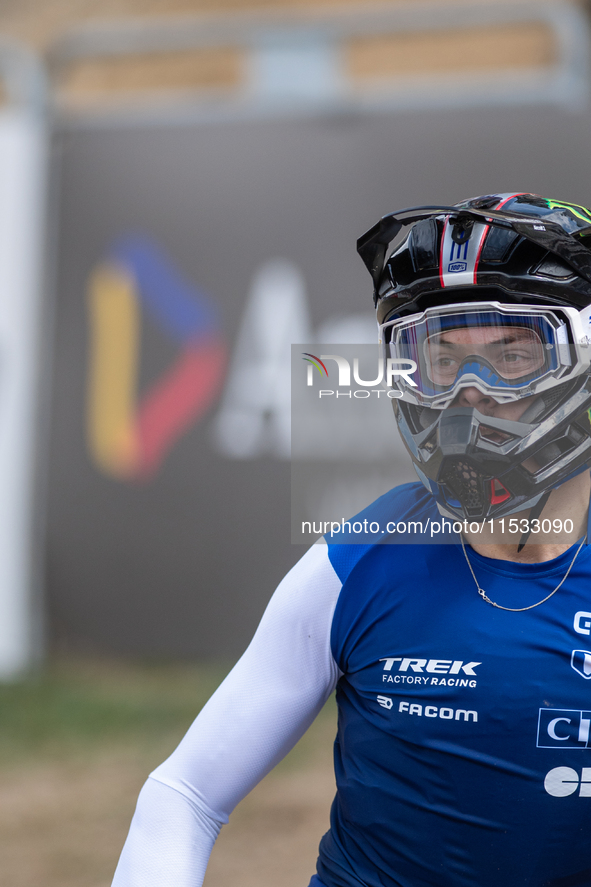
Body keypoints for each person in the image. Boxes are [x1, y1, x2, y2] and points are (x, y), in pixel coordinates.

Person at [111, 193, 591, 887]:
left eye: (511, 355)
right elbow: (184, 794)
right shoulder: (361, 559)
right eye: (440, 356)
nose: (468, 390)